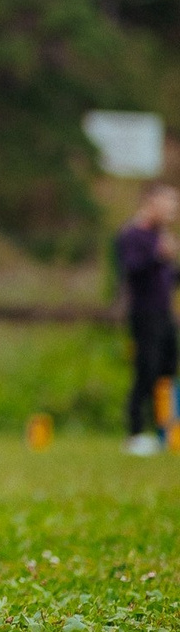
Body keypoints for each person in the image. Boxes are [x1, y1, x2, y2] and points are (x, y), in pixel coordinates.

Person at [116, 182, 178, 455]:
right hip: (143, 314)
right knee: (146, 370)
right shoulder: (133, 235)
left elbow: (168, 278)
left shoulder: (160, 237)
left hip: (165, 314)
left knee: (167, 371)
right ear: (151, 203)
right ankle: (135, 433)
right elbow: (132, 270)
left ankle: (165, 430)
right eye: (169, 203)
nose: (173, 209)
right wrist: (158, 256)